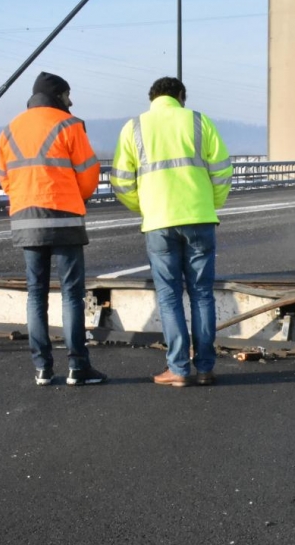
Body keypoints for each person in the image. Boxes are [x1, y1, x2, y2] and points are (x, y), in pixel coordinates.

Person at [111, 76, 232, 387]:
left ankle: (178, 369)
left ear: (152, 97)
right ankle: (205, 368)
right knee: (202, 294)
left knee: (169, 297)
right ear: (181, 97)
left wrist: (145, 207)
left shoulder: (134, 127)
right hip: (200, 218)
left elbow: (121, 181)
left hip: (159, 223)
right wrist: (210, 204)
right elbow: (222, 171)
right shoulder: (199, 121)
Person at [0, 72, 106, 386]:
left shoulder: (8, 131)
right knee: (71, 295)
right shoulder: (70, 125)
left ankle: (42, 368)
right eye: (68, 95)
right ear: (57, 96)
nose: (70, 102)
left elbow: (6, 179)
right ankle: (78, 366)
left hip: (26, 219)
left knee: (36, 295)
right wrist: (76, 195)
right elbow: (88, 171)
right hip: (65, 218)